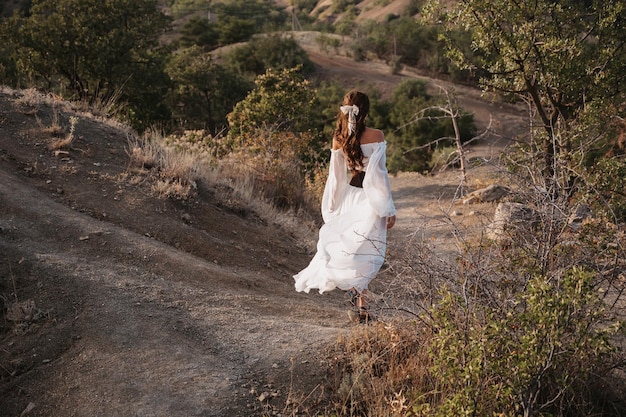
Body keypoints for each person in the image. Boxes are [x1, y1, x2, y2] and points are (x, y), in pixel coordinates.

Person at [293, 90, 397, 323]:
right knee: (370, 253)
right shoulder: (377, 136)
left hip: (350, 196)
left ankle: (359, 297)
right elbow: (378, 176)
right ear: (366, 111)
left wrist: (331, 206)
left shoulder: (338, 139)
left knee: (354, 250)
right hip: (370, 202)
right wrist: (387, 208)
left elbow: (336, 178)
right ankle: (363, 306)